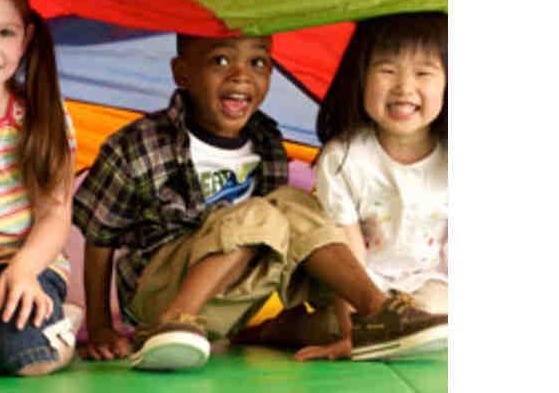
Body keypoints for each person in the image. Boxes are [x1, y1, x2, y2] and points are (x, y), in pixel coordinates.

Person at [74, 33, 447, 371]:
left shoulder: (266, 140)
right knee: (264, 211)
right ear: (182, 73)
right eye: (220, 60)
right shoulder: (142, 142)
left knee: (297, 211)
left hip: (235, 296)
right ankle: (174, 320)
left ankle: (377, 313)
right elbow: (100, 234)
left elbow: (284, 237)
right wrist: (101, 326)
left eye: (257, 62)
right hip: (161, 292)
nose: (240, 76)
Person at [233, 12, 448, 359]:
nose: (404, 88)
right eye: (387, 70)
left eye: (423, 73)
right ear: (360, 77)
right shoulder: (344, 156)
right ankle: (281, 328)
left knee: (439, 317)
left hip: (429, 283)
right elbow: (346, 251)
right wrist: (354, 335)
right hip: (359, 283)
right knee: (334, 326)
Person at [0, 0, 83, 376]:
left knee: (25, 356)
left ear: (26, 39)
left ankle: (62, 324)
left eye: (4, 33)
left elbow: (55, 213)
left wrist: (24, 270)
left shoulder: (40, 116)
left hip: (25, 261)